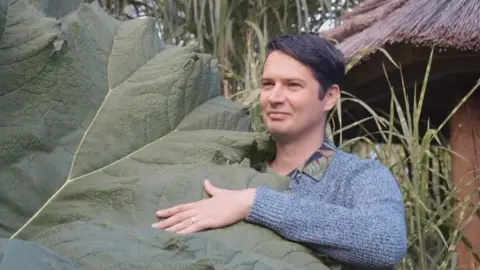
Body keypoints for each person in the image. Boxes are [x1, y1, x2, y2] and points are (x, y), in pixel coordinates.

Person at [151, 34, 407, 269]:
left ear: (329, 97)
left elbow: (386, 241)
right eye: (268, 84)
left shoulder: (359, 177)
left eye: (293, 85)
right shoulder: (237, 169)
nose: (274, 96)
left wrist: (254, 203)